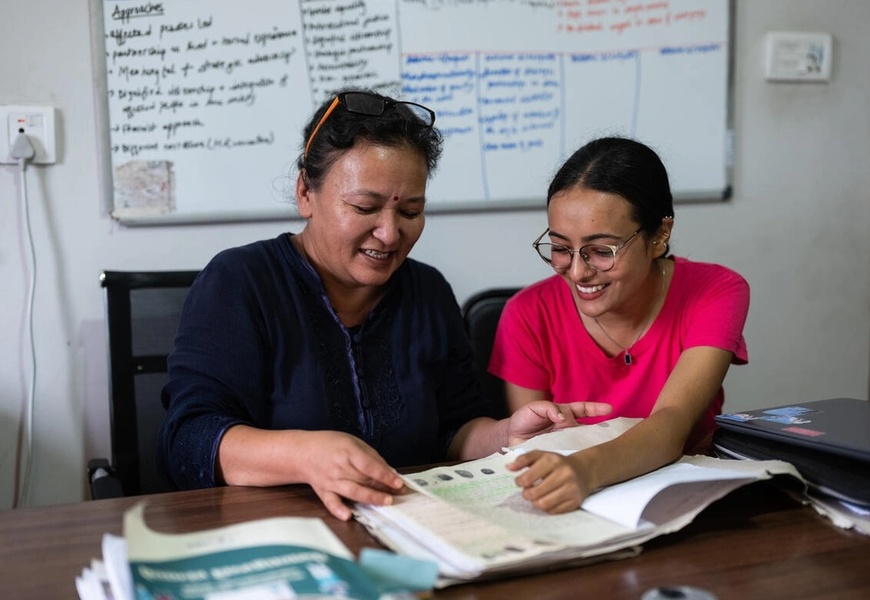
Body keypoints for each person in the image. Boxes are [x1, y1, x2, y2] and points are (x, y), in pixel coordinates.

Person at [157, 88, 607, 521]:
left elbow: (455, 431)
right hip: (276, 535)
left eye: (410, 212)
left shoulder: (428, 291)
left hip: (411, 528)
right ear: (305, 194)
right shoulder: (240, 282)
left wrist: (507, 435)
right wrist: (305, 455)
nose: (391, 234)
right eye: (364, 207)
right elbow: (188, 441)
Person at [489, 136, 749, 514]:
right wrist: (566, 474)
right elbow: (536, 445)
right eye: (560, 247)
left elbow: (672, 424)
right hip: (573, 504)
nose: (577, 271)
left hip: (683, 500)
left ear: (659, 235)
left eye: (602, 251)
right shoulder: (526, 313)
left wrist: (584, 469)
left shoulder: (716, 292)